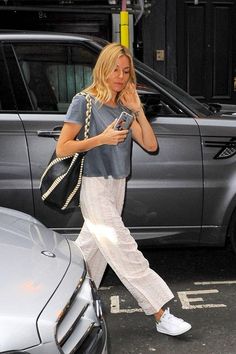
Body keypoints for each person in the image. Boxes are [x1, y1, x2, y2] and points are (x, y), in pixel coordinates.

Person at [56, 42, 192, 336]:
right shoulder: (84, 101)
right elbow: (63, 147)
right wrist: (100, 139)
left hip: (117, 185)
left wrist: (138, 110)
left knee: (91, 252)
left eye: (126, 71)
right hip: (93, 185)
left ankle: (65, 304)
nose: (119, 76)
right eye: (114, 69)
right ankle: (161, 313)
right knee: (122, 248)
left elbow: (151, 145)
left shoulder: (124, 107)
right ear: (102, 69)